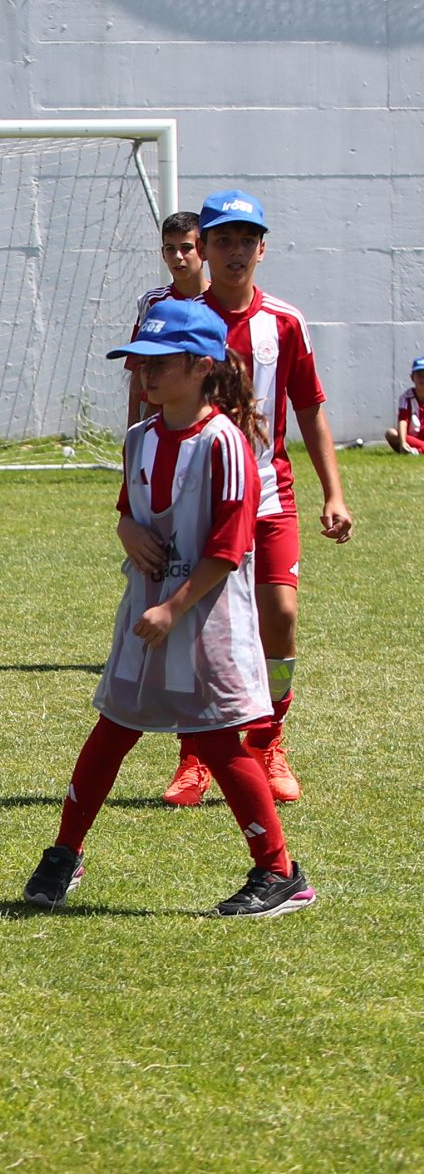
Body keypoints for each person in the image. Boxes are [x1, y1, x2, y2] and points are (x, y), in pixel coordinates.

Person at [25, 298, 313, 918]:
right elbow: (130, 513)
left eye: (161, 361)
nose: (146, 374)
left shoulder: (224, 443)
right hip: (146, 613)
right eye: (138, 362)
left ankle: (280, 872)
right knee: (112, 730)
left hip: (203, 619)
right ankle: (63, 855)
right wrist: (127, 532)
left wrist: (174, 608)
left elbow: (231, 547)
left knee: (214, 737)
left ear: (204, 365)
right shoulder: (139, 438)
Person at [160, 190, 352, 809]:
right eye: (223, 239)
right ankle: (196, 755)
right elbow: (149, 410)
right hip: (197, 499)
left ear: (262, 248)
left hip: (270, 497)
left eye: (247, 239)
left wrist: (334, 493)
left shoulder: (284, 323)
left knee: (282, 615)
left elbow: (311, 411)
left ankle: (268, 738)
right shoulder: (184, 320)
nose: (236, 251)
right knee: (198, 626)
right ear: (204, 250)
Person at [125, 210, 206, 426]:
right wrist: (133, 427)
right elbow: (137, 367)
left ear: (204, 249)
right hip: (156, 414)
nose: (178, 256)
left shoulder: (219, 302)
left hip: (204, 415)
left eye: (186, 248)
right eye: (170, 249)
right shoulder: (152, 302)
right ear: (162, 253)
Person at [386, 356, 424, 455]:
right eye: (419, 375)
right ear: (412, 378)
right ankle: (413, 449)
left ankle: (416, 451)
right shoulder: (406, 397)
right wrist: (403, 442)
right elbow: (403, 420)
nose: (422, 379)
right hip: (412, 439)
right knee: (391, 433)